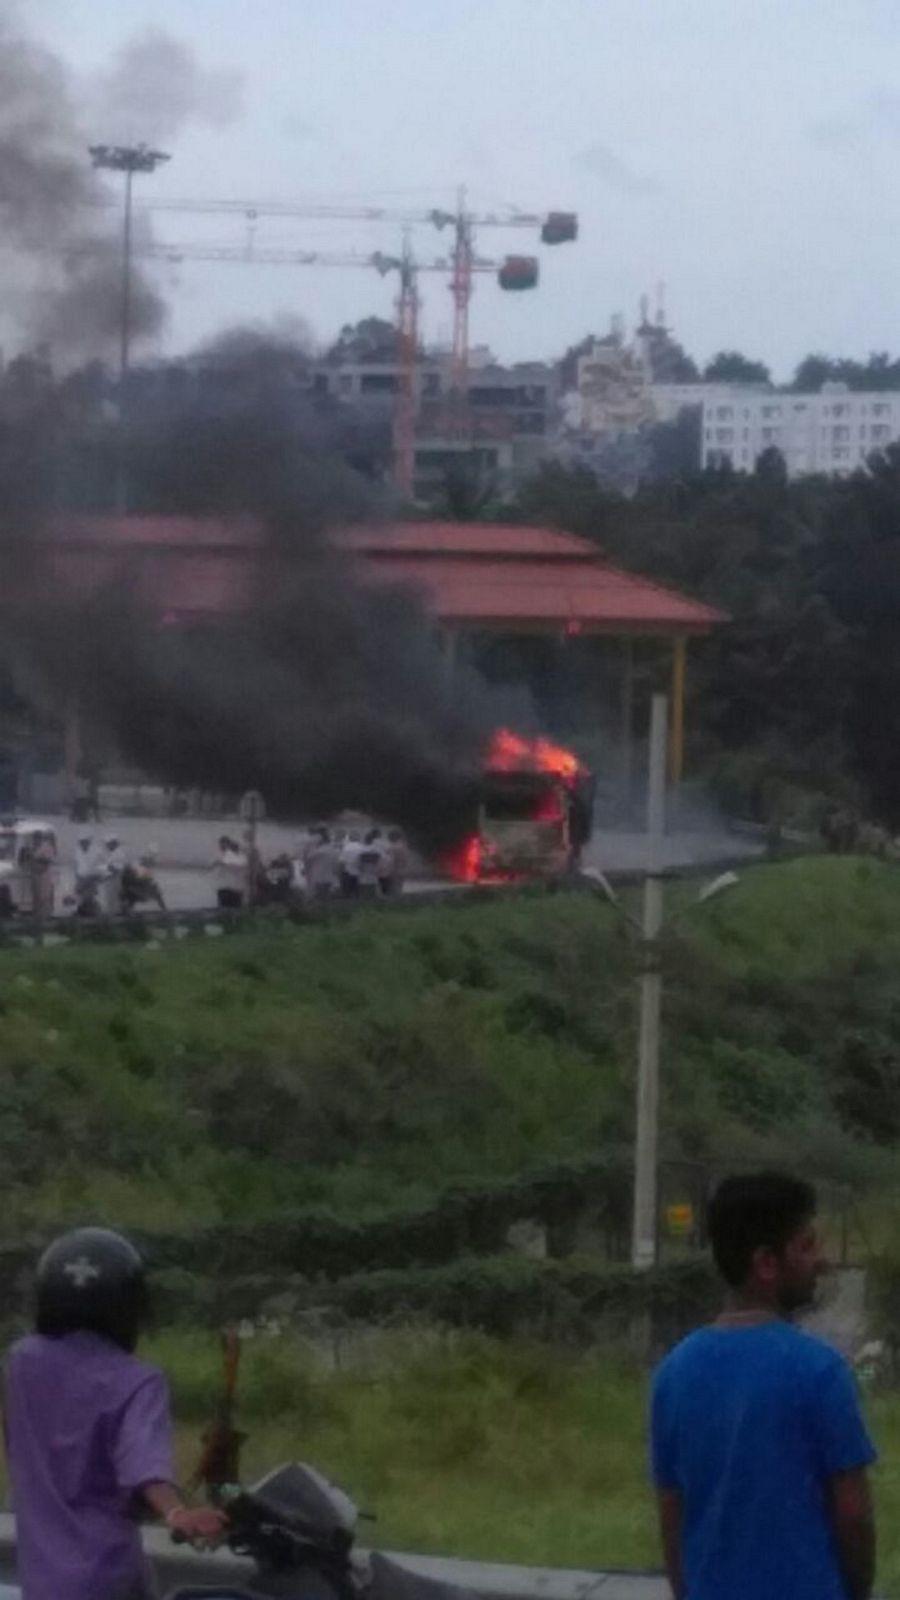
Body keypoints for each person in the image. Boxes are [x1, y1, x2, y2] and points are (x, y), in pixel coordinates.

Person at [651, 1172, 876, 1600]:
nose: (821, 1261)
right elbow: (853, 1515)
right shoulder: (819, 1371)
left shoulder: (673, 1374)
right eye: (807, 1246)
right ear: (766, 1263)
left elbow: (672, 1513)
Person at [4, 1227, 226, 1600]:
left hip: (41, 1586)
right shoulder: (136, 1380)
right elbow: (144, 1467)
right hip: (107, 1581)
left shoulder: (21, 1363)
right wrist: (177, 1514)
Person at [305, 826, 340, 902]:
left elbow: (308, 857)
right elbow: (336, 865)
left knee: (319, 898)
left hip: (319, 878)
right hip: (329, 877)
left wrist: (312, 845)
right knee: (325, 898)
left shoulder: (320, 851)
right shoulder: (333, 850)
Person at [212, 834, 246, 910]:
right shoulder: (221, 856)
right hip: (225, 888)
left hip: (234, 889)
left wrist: (221, 863)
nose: (222, 847)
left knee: (234, 910)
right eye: (221, 845)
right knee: (225, 910)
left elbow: (237, 865)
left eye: (225, 845)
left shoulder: (237, 857)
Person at [380, 827, 409, 898]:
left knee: (393, 892)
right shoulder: (404, 846)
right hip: (402, 870)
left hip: (393, 872)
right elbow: (405, 860)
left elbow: (389, 862)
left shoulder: (392, 848)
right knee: (399, 889)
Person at [339, 829, 363, 897]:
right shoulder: (361, 847)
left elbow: (342, 862)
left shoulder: (346, 848)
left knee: (348, 893)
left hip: (348, 872)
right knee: (357, 891)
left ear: (350, 838)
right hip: (359, 872)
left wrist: (340, 872)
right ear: (358, 838)